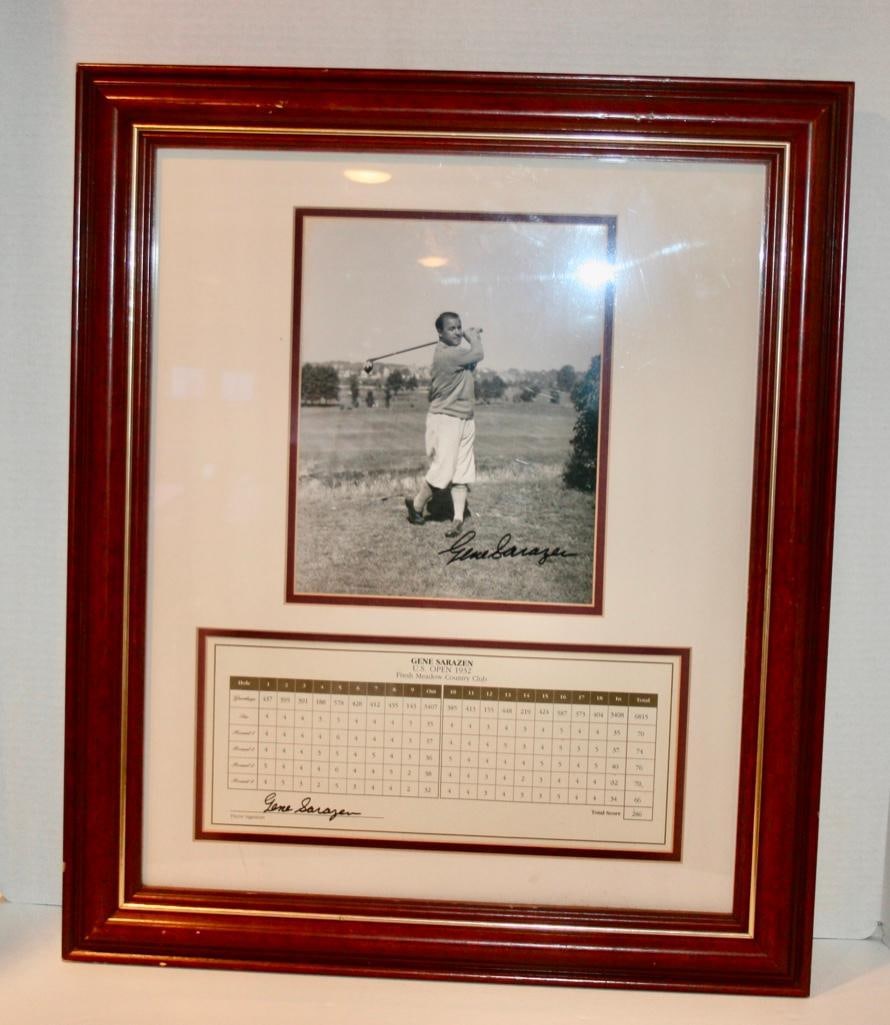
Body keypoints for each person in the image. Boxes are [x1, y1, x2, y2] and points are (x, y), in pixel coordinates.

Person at [405, 312, 483, 538]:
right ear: (440, 332)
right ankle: (416, 506)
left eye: (459, 327)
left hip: (465, 416)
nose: (457, 332)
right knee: (444, 469)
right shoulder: (446, 355)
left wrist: (474, 338)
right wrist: (472, 336)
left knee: (462, 470)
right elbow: (478, 353)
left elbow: (473, 360)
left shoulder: (457, 353)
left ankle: (457, 519)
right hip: (446, 418)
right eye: (452, 328)